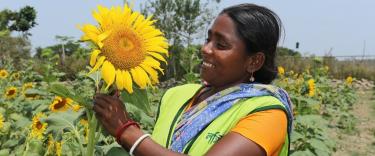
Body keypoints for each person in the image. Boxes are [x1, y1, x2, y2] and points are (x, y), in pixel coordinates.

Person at [93, 3, 293, 156]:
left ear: (254, 61)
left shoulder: (267, 113)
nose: (205, 49)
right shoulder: (177, 95)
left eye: (221, 45)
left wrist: (126, 132)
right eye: (208, 39)